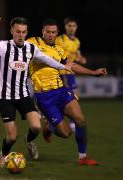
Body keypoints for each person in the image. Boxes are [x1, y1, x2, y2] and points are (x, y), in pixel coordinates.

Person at [0, 15, 71, 168]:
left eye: (24, 32)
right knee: (12, 137)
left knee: (36, 127)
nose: (21, 35)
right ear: (12, 31)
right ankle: (4, 154)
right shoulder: (2, 46)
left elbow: (46, 59)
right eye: (18, 31)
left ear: (27, 32)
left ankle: (29, 140)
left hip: (23, 95)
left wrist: (62, 66)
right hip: (5, 98)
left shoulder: (31, 48)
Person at [27, 18, 107, 165]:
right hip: (44, 96)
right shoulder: (33, 42)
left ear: (57, 33)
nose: (51, 35)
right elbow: (15, 51)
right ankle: (49, 126)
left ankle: (83, 157)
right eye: (48, 32)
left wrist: (93, 72)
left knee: (80, 119)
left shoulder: (59, 49)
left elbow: (72, 65)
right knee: (66, 133)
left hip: (61, 90)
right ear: (42, 32)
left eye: (54, 32)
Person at [56, 17, 87, 132]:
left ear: (76, 27)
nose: (72, 28)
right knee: (70, 96)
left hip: (71, 73)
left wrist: (81, 59)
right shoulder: (60, 40)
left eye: (74, 26)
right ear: (65, 27)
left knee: (74, 96)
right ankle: (67, 121)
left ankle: (66, 120)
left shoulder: (77, 41)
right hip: (62, 72)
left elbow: (78, 55)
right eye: (69, 26)